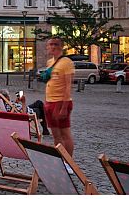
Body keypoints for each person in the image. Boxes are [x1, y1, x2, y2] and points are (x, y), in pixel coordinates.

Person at [43, 37, 75, 169]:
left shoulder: (66, 62)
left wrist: (64, 107)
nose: (52, 47)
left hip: (61, 102)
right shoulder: (50, 62)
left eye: (55, 44)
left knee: (65, 134)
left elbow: (68, 86)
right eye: (50, 44)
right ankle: (60, 160)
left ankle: (68, 163)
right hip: (49, 101)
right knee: (55, 134)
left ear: (61, 47)